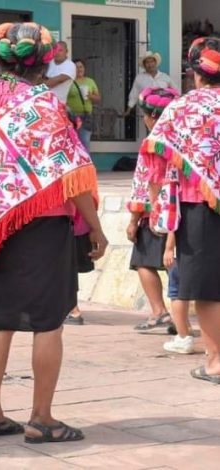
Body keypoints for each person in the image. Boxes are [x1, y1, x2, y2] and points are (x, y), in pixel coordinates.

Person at [0, 23, 106, 443]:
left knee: (1, 321)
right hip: (43, 224)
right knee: (48, 323)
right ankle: (42, 418)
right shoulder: (45, 104)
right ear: (43, 61)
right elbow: (72, 171)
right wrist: (97, 229)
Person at [140, 37, 220, 383]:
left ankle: (216, 361)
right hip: (203, 203)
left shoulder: (184, 107)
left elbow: (155, 154)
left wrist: (159, 207)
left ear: (195, 74)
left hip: (199, 207)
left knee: (206, 290)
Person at [126, 87, 180, 333]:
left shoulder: (154, 142)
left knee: (144, 263)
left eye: (145, 115)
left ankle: (160, 312)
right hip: (183, 210)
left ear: (152, 116)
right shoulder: (181, 137)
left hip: (158, 213)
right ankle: (180, 320)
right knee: (175, 265)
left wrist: (135, 218)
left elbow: (149, 182)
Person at [163, 232, 195, 354]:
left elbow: (174, 222)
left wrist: (169, 248)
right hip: (208, 251)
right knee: (208, 295)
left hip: (182, 251)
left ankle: (183, 338)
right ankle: (212, 343)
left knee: (177, 292)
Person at [124, 51, 177, 117]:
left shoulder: (165, 77)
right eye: (147, 62)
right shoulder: (139, 78)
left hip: (163, 113)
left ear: (155, 63)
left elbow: (176, 92)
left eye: (152, 61)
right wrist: (128, 111)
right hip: (147, 113)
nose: (150, 64)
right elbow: (134, 95)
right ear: (144, 65)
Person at [66, 59, 101, 151]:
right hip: (71, 117)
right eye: (76, 67)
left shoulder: (90, 81)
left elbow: (98, 98)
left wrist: (90, 96)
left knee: (84, 143)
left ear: (84, 68)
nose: (79, 69)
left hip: (86, 117)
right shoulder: (68, 81)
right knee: (71, 144)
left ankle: (86, 164)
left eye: (81, 67)